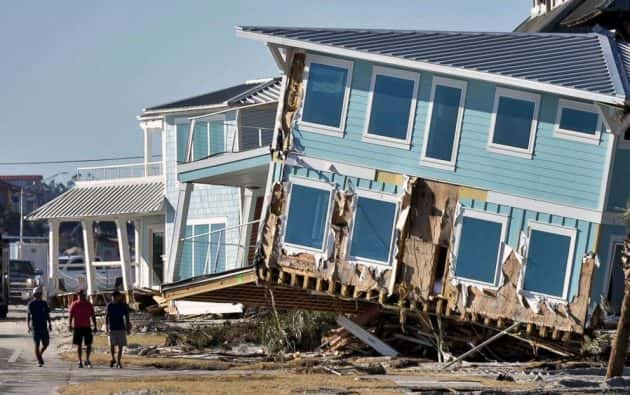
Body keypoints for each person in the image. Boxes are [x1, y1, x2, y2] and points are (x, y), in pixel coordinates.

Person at [68, 289, 96, 368]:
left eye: (82, 295)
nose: (80, 296)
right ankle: (80, 360)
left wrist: (95, 325)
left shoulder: (89, 304)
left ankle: (87, 360)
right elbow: (71, 315)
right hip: (77, 327)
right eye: (79, 295)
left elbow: (93, 315)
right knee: (79, 345)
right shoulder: (74, 304)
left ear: (84, 295)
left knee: (89, 344)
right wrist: (69, 325)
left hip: (87, 326)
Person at [27, 287, 52, 367]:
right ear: (34, 295)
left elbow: (48, 314)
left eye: (40, 294)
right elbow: (28, 315)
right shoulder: (31, 304)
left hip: (44, 327)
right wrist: (28, 326)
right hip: (35, 327)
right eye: (38, 294)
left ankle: (40, 354)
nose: (39, 295)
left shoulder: (44, 303)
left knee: (46, 343)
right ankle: (39, 361)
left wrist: (50, 324)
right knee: (37, 344)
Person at [105, 290, 130, 369]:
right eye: (113, 296)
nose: (114, 298)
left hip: (121, 328)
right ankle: (113, 358)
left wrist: (128, 326)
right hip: (112, 328)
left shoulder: (122, 305)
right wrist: (106, 327)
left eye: (115, 296)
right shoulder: (109, 306)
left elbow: (127, 316)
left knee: (120, 346)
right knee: (112, 345)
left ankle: (118, 362)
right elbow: (107, 317)